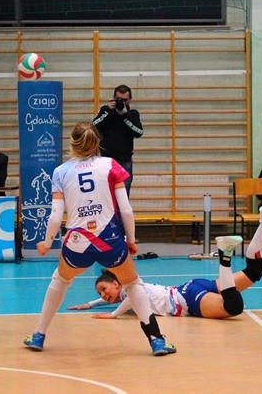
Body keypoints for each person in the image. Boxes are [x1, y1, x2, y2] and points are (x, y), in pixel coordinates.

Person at [23, 121, 176, 356]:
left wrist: (47, 242)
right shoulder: (110, 165)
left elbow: (55, 215)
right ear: (97, 142)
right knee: (132, 283)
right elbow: (126, 210)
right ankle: (156, 340)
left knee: (60, 280)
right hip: (109, 239)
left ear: (72, 143)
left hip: (77, 242)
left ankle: (38, 335)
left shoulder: (61, 172)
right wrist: (131, 239)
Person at [67, 205, 262, 319]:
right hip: (191, 288)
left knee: (233, 307)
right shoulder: (125, 289)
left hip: (187, 299)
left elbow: (129, 300)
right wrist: (91, 304)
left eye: (104, 289)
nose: (104, 295)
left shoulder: (130, 292)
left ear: (116, 283)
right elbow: (116, 296)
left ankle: (225, 256)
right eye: (101, 293)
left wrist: (113, 315)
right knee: (255, 271)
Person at [92, 84, 143, 196]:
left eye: (125, 100)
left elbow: (139, 132)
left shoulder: (132, 114)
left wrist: (125, 116)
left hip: (125, 160)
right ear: (114, 98)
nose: (122, 102)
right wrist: (107, 111)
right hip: (105, 160)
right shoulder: (106, 111)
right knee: (104, 193)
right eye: (119, 99)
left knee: (124, 194)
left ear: (130, 99)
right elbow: (93, 126)